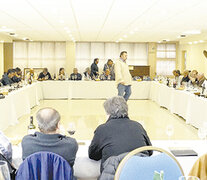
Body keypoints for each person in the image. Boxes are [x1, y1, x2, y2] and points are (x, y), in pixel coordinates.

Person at [89, 96, 152, 172]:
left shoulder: (102, 129)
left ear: (108, 113)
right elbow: (149, 151)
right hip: (141, 173)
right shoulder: (138, 126)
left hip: (114, 174)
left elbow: (93, 155)